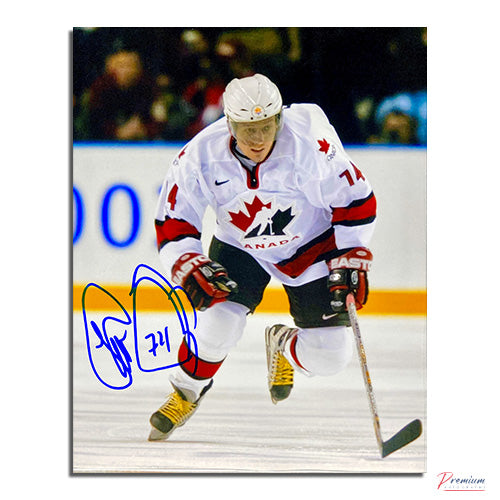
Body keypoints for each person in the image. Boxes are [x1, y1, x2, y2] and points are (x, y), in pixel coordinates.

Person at [149, 74, 377, 441]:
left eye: (266, 126)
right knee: (217, 326)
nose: (257, 140)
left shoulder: (311, 146)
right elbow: (174, 219)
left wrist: (351, 253)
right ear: (228, 122)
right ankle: (185, 392)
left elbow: (356, 200)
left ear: (279, 120)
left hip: (311, 247)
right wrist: (187, 262)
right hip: (241, 246)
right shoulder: (200, 154)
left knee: (330, 358)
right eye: (246, 128)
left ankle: (283, 345)